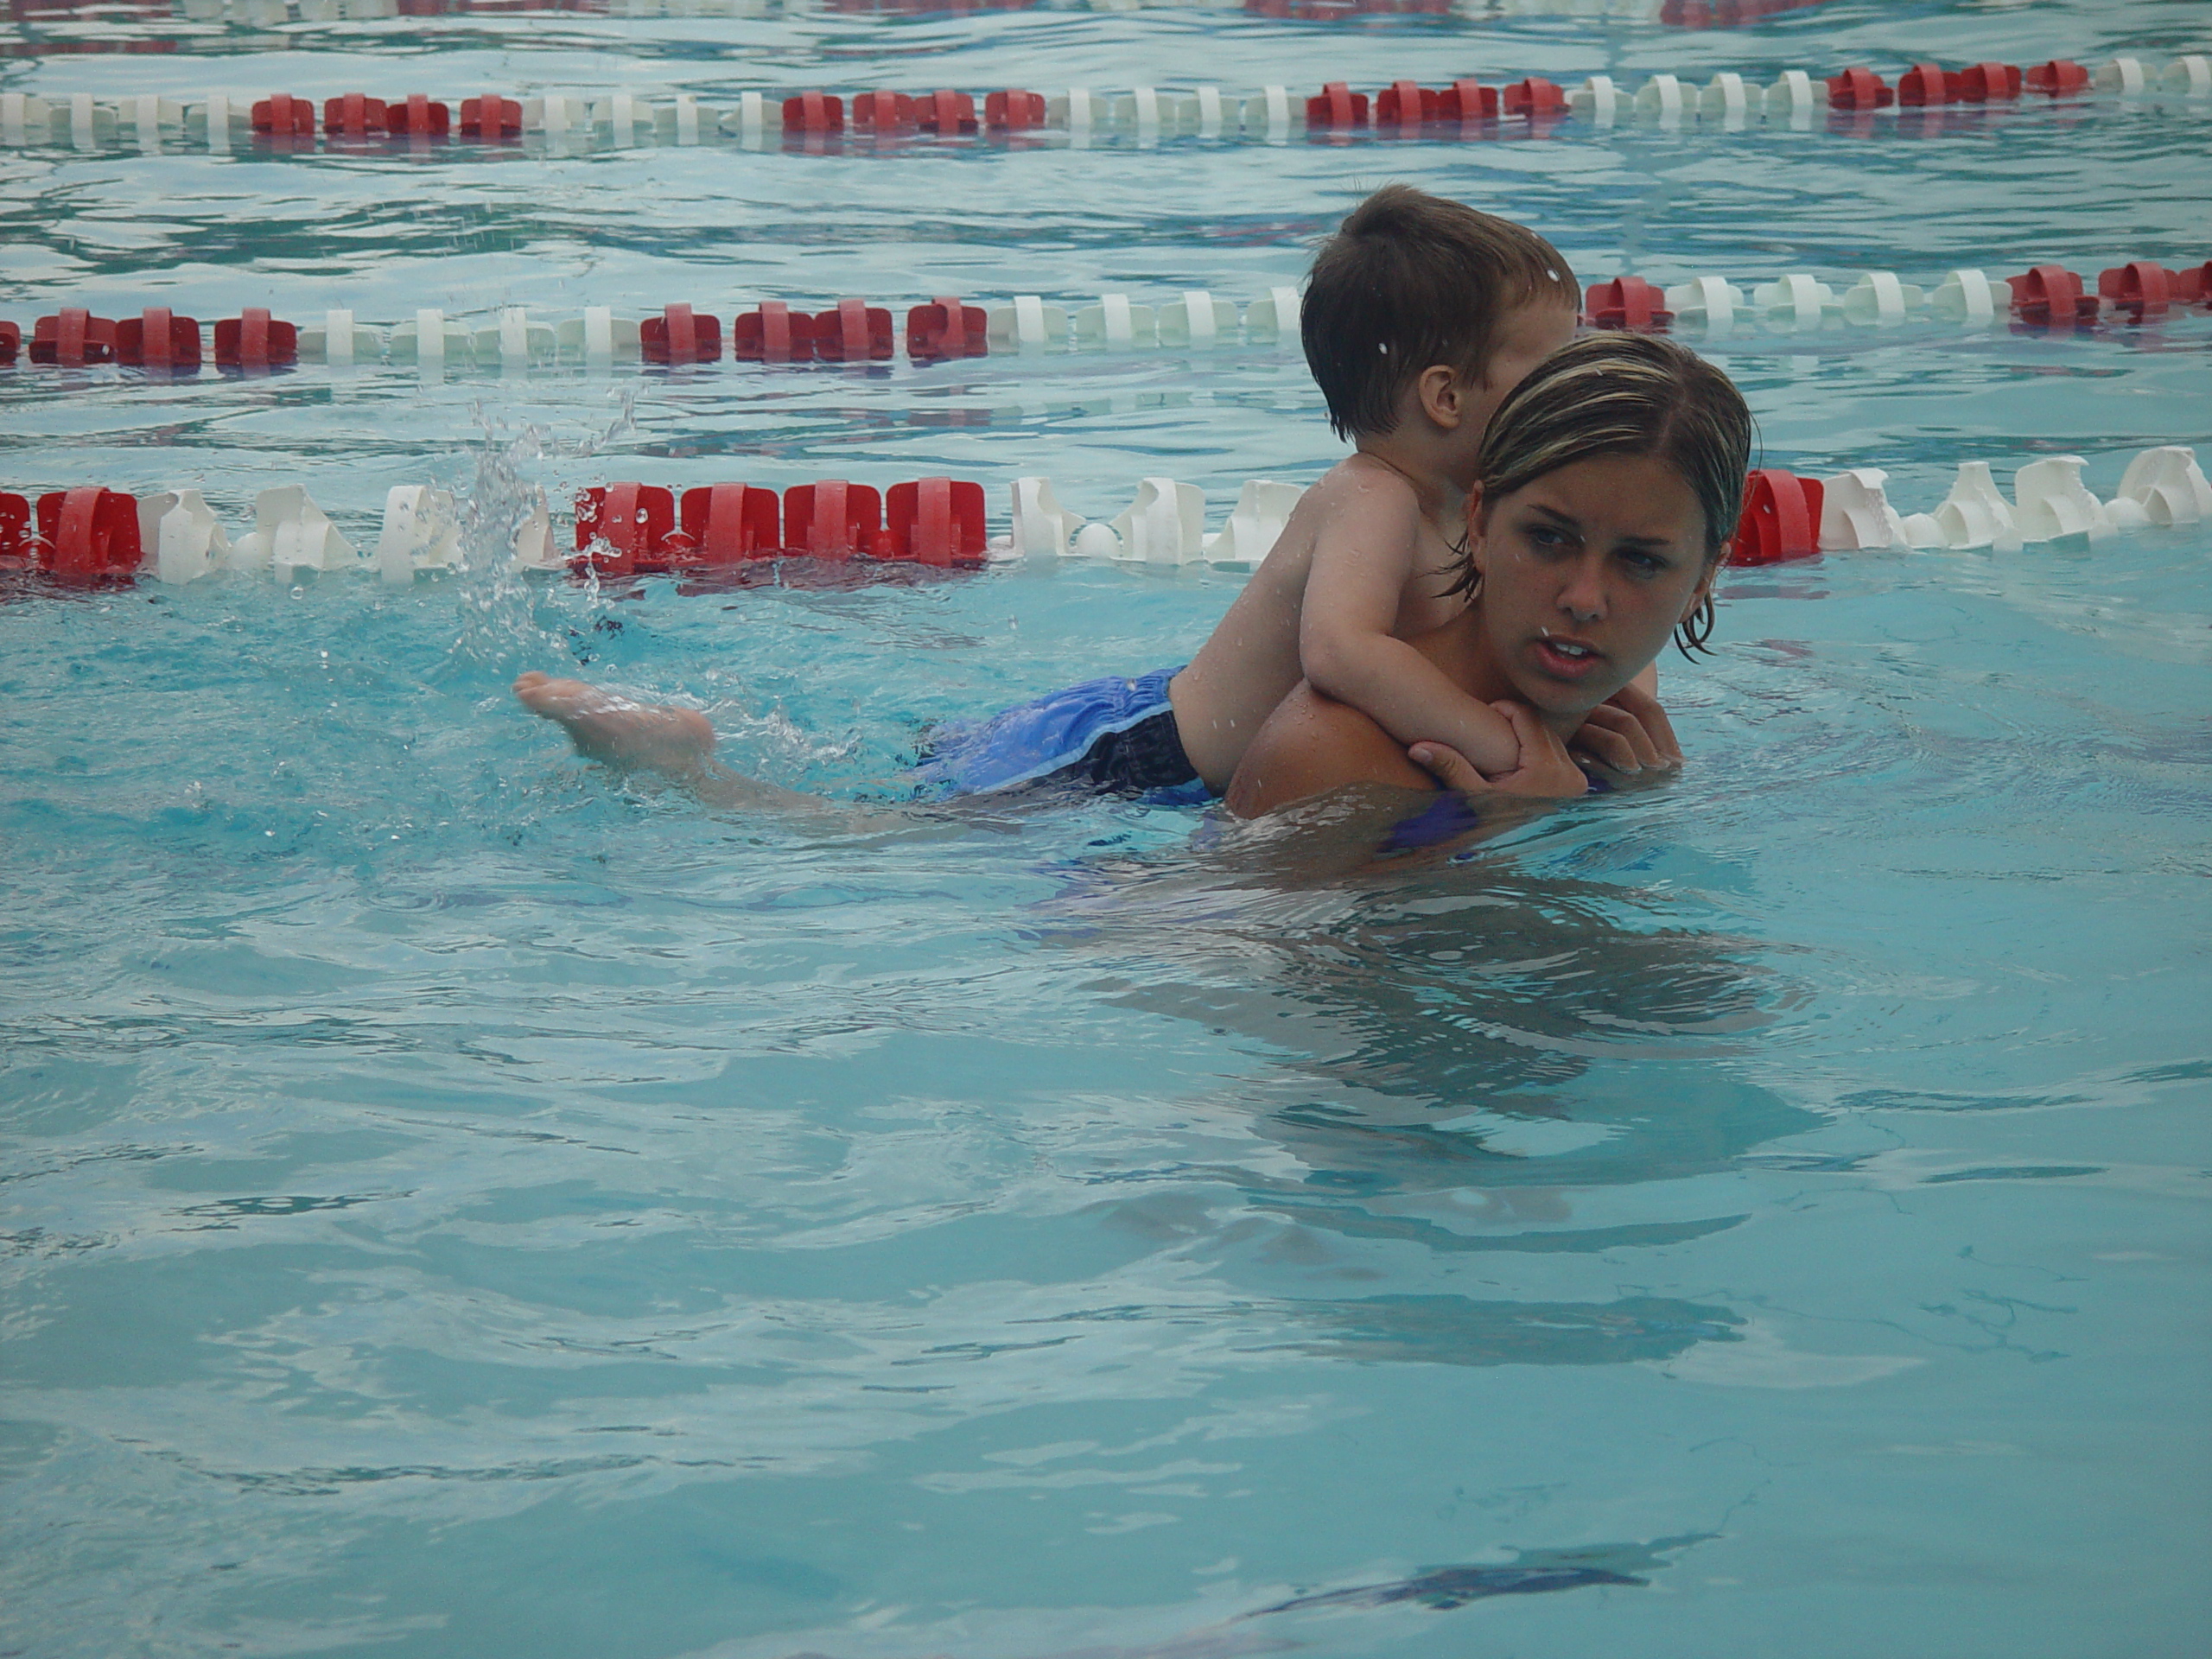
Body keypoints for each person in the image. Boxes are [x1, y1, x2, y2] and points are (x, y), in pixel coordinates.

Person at [910, 183, 1582, 804]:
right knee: (910, 827)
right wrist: (1503, 747)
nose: (1580, 384)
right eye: (1557, 367)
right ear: (1447, 396)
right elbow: (1342, 652)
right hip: (1140, 751)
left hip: (1179, 742)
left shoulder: (1467, 509)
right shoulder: (1376, 497)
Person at [1221, 332, 1752, 831]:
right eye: (1548, 539)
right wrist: (1516, 834)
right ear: (1479, 523)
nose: (1584, 601)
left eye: (1640, 561)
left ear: (1704, 579)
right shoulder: (1333, 755)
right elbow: (1214, 926)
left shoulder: (1623, 743)